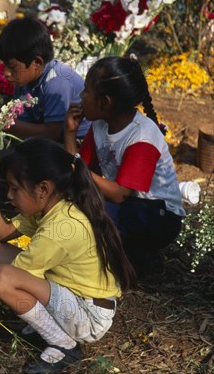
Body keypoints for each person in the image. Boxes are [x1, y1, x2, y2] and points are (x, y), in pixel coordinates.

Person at [0, 137, 136, 374]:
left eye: (14, 188)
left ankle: (65, 345)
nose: (9, 195)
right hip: (70, 293)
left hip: (88, 316)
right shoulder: (52, 205)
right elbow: (4, 233)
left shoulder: (61, 228)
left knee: (2, 279)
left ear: (43, 189)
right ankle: (44, 326)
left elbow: (1, 277)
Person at [64, 56, 186, 277]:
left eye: (86, 91)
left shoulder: (142, 136)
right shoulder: (101, 124)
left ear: (105, 102)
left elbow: (120, 193)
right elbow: (81, 165)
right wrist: (70, 134)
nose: (81, 96)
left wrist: (76, 170)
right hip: (127, 205)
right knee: (73, 198)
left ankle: (138, 258)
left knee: (86, 210)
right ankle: (129, 254)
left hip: (158, 216)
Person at [0, 16, 90, 142]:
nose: (6, 73)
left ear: (37, 62)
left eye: (12, 67)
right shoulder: (23, 80)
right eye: (5, 65)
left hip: (79, 143)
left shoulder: (56, 83)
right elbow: (24, 123)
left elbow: (53, 133)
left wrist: (3, 122)